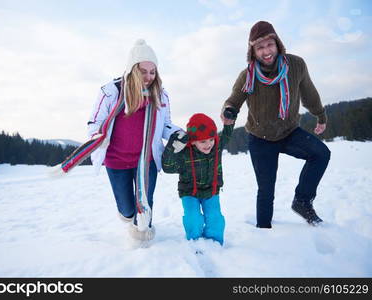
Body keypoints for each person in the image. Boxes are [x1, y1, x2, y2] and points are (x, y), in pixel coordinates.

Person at [220, 21, 331, 228]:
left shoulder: (296, 66)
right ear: (253, 51)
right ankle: (263, 231)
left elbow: (309, 94)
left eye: (269, 45)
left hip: (289, 131)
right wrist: (229, 110)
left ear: (277, 44)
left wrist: (321, 115)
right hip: (260, 138)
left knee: (321, 154)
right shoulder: (248, 76)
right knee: (266, 190)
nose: (266, 51)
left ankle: (302, 201)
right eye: (259, 47)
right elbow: (234, 100)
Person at [87, 39, 181, 242]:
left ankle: (143, 240)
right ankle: (131, 219)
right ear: (131, 70)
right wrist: (98, 137)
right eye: (143, 71)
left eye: (153, 71)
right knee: (127, 210)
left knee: (145, 204)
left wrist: (179, 134)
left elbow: (165, 125)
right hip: (117, 161)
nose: (149, 77)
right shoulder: (112, 91)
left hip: (146, 161)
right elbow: (95, 123)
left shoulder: (160, 95)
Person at [162, 113, 234, 245]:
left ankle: (214, 243)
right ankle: (195, 241)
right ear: (193, 141)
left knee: (215, 219)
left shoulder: (216, 147)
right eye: (203, 141)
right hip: (189, 192)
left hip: (211, 191)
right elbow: (167, 167)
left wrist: (228, 124)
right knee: (193, 219)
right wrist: (172, 147)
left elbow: (226, 135)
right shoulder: (184, 154)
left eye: (211, 139)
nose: (208, 144)